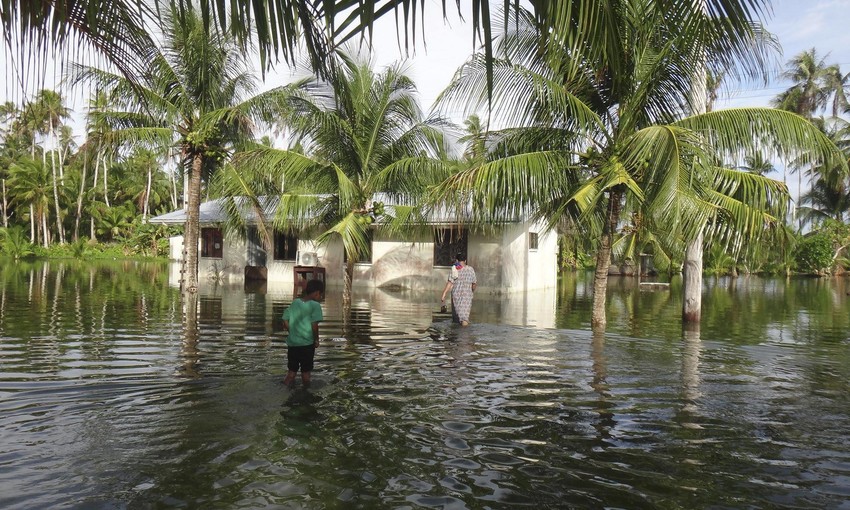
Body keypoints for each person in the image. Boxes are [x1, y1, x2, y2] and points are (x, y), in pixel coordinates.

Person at [282, 279, 324, 388]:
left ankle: (284, 388)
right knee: (306, 374)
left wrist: (292, 332)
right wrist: (316, 339)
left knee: (291, 373)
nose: (321, 298)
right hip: (307, 345)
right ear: (317, 293)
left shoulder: (295, 302)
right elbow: (314, 325)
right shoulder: (315, 305)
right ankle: (305, 395)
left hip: (293, 344)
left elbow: (285, 319)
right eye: (321, 295)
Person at [440, 253, 477, 326]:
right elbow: (474, 283)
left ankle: (459, 334)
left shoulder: (455, 269)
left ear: (457, 260)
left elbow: (450, 282)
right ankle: (464, 333)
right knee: (464, 317)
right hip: (467, 296)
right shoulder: (470, 269)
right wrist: (471, 291)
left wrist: (444, 294)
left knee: (457, 316)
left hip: (456, 296)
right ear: (465, 261)